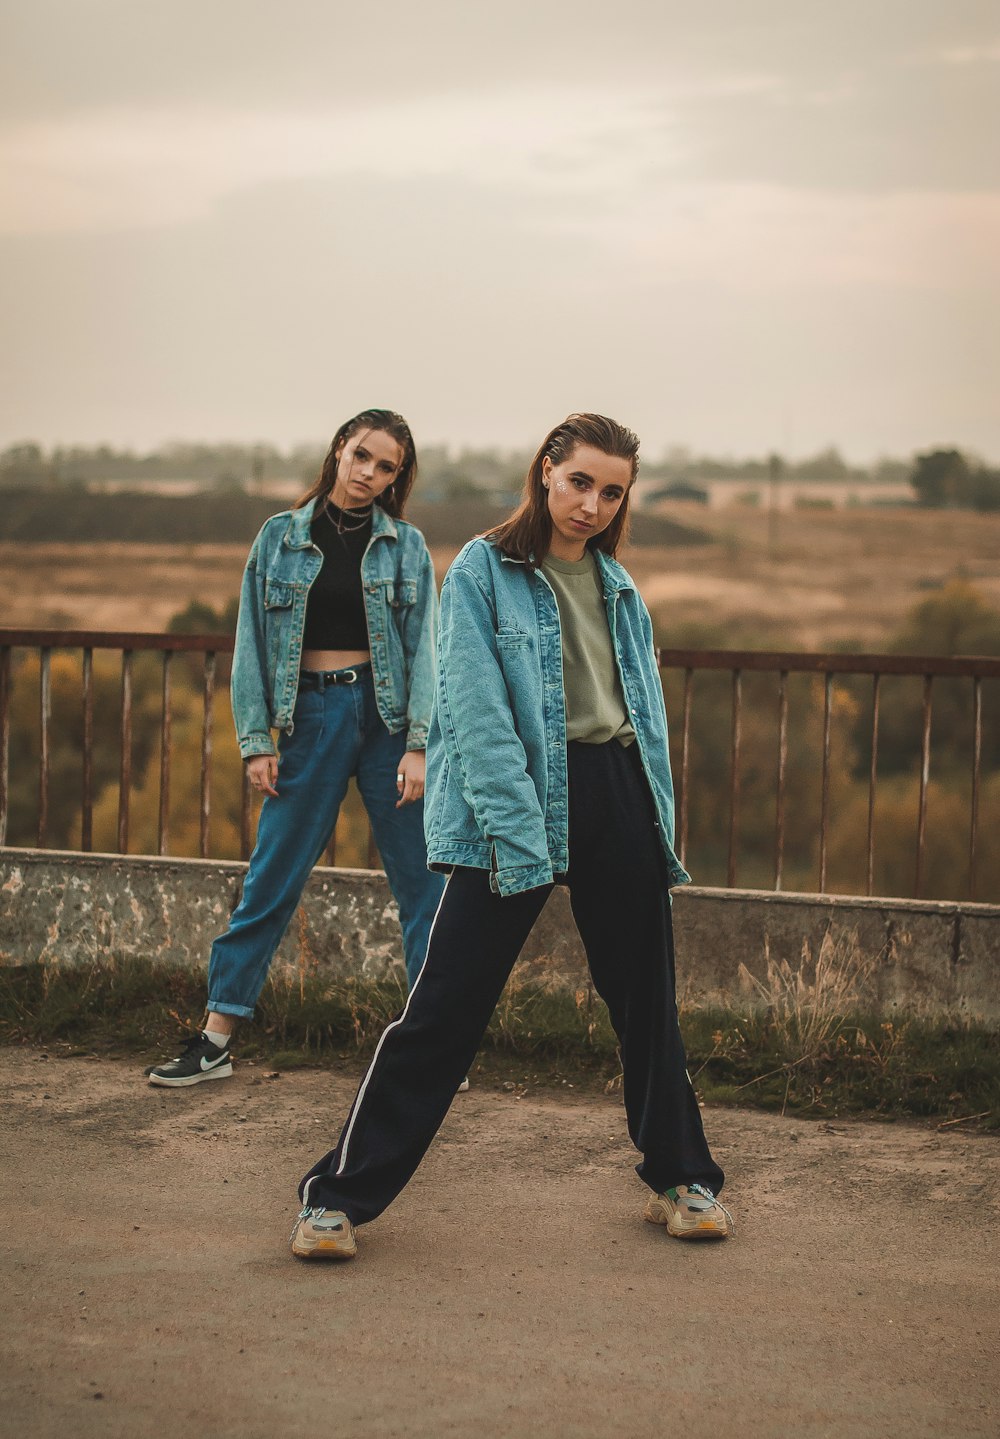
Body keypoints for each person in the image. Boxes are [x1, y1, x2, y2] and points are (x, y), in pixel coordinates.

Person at [289, 412, 733, 1257]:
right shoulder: (484, 572)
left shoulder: (617, 584)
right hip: (517, 804)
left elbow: (639, 713)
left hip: (615, 793)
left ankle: (684, 1179)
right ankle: (334, 1197)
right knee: (445, 1008)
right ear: (544, 472)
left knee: (648, 1008)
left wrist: (651, 816)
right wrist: (523, 834)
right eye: (579, 482)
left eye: (611, 491)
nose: (592, 504)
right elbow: (478, 717)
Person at [146, 408, 446, 1087]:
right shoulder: (280, 539)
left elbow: (424, 650)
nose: (369, 473)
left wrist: (420, 744)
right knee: (270, 878)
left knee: (424, 885)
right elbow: (250, 642)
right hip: (310, 717)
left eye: (387, 466)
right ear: (339, 449)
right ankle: (216, 1038)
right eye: (362, 456)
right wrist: (257, 741)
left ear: (398, 476)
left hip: (388, 718)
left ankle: (433, 1048)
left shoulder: (406, 546)